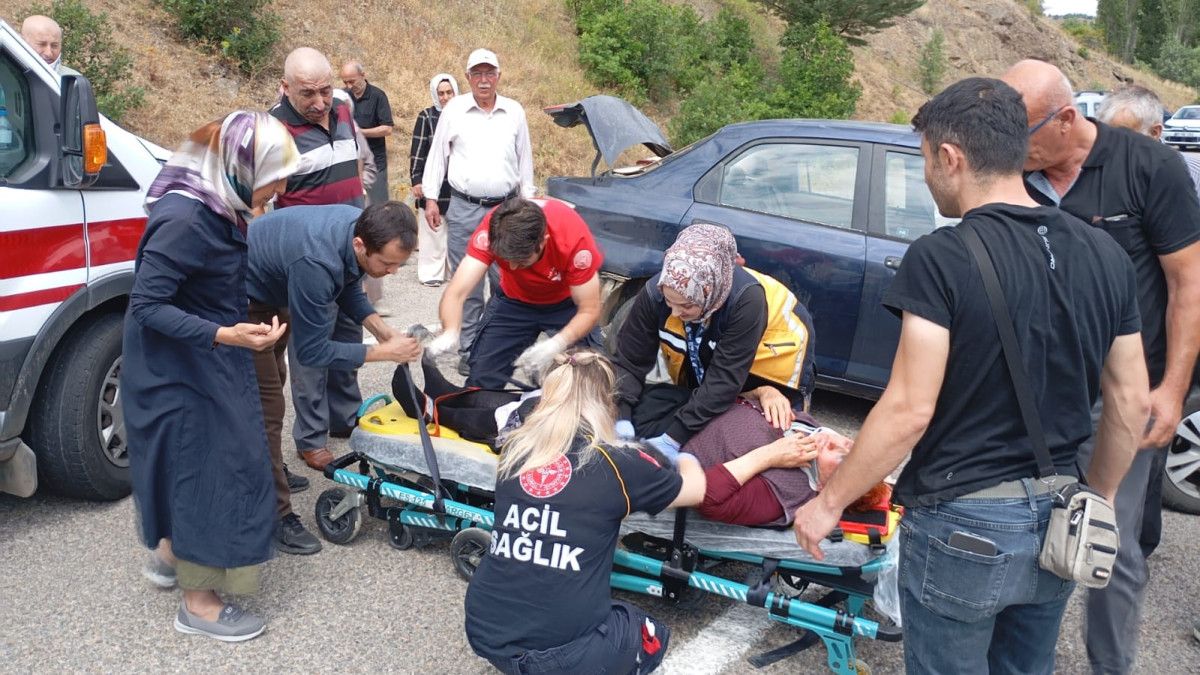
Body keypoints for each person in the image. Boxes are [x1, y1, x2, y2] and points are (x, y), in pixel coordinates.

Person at [792, 77, 1150, 673]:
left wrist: (829, 503)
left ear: (950, 157)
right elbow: (1131, 400)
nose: (927, 176)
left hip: (963, 525)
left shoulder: (942, 257)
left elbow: (909, 410)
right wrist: (1102, 496)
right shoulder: (1105, 255)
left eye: (925, 160)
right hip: (1061, 518)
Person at [1001, 60, 1200, 675]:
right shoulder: (1017, 172)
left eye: (1023, 133)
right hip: (1034, 390)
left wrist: (1172, 390)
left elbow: (1187, 284)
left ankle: (1109, 666)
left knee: (1106, 538)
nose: (1012, 147)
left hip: (1122, 393)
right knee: (1023, 523)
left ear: (1066, 120)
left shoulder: (1150, 167)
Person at [123, 110, 298, 641]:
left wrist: (233, 329)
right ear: (242, 167)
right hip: (175, 368)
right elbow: (147, 305)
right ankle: (198, 606)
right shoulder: (186, 218)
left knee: (201, 461)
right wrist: (225, 334)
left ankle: (170, 554)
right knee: (206, 468)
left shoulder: (219, 202)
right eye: (273, 179)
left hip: (203, 353)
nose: (278, 192)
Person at [463, 350, 706, 674]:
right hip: (557, 653)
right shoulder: (618, 464)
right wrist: (686, 456)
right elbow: (695, 490)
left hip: (484, 630)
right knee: (649, 635)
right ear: (606, 401)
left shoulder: (516, 449)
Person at [247, 202, 423, 554]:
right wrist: (384, 352)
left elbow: (346, 285)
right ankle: (275, 514)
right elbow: (312, 352)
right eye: (387, 263)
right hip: (244, 293)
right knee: (266, 406)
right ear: (360, 245)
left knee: (273, 376)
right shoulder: (316, 261)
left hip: (278, 282)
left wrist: (382, 330)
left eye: (399, 264)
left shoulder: (359, 227)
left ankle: (269, 468)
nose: (392, 272)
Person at [611, 223, 816, 463]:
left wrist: (672, 439)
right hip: (714, 372)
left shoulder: (747, 302)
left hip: (768, 370)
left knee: (751, 439)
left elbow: (722, 383)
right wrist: (621, 419)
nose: (675, 313)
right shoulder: (656, 292)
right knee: (652, 412)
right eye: (669, 302)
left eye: (686, 305)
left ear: (710, 291)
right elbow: (629, 361)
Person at [270, 47, 372, 472]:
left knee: (348, 333)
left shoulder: (343, 108)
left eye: (325, 90)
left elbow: (359, 161)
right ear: (285, 87)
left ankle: (345, 418)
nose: (320, 102)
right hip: (309, 259)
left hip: (352, 250)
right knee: (311, 348)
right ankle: (311, 438)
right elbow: (262, 200)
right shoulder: (273, 130)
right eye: (307, 93)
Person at [421, 48, 535, 375]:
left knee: (506, 281)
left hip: (507, 210)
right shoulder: (454, 110)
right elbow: (437, 156)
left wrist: (527, 201)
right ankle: (470, 350)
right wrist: (431, 198)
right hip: (464, 208)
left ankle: (498, 347)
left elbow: (524, 159)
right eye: (477, 74)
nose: (484, 80)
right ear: (468, 77)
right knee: (468, 284)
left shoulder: (514, 111)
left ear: (498, 76)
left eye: (489, 73)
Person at [427, 197, 603, 389]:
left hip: (566, 304)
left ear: (543, 241)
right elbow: (456, 292)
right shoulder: (495, 228)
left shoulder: (573, 240)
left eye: (521, 261)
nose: (512, 267)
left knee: (589, 380)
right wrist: (450, 331)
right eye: (506, 259)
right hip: (514, 300)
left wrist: (558, 343)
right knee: (482, 377)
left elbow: (589, 310)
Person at [410, 73, 460, 287]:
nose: (445, 97)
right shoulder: (426, 117)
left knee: (455, 230)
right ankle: (431, 272)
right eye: (441, 93)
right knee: (433, 228)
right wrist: (416, 179)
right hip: (433, 180)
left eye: (449, 92)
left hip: (457, 182)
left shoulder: (464, 115)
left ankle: (452, 271)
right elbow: (418, 149)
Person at [339, 60, 393, 207]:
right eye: (345, 82)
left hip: (375, 164)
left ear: (363, 75)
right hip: (350, 164)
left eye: (352, 81)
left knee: (379, 207)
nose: (349, 86)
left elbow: (387, 128)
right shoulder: (343, 97)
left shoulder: (378, 96)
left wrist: (359, 133)